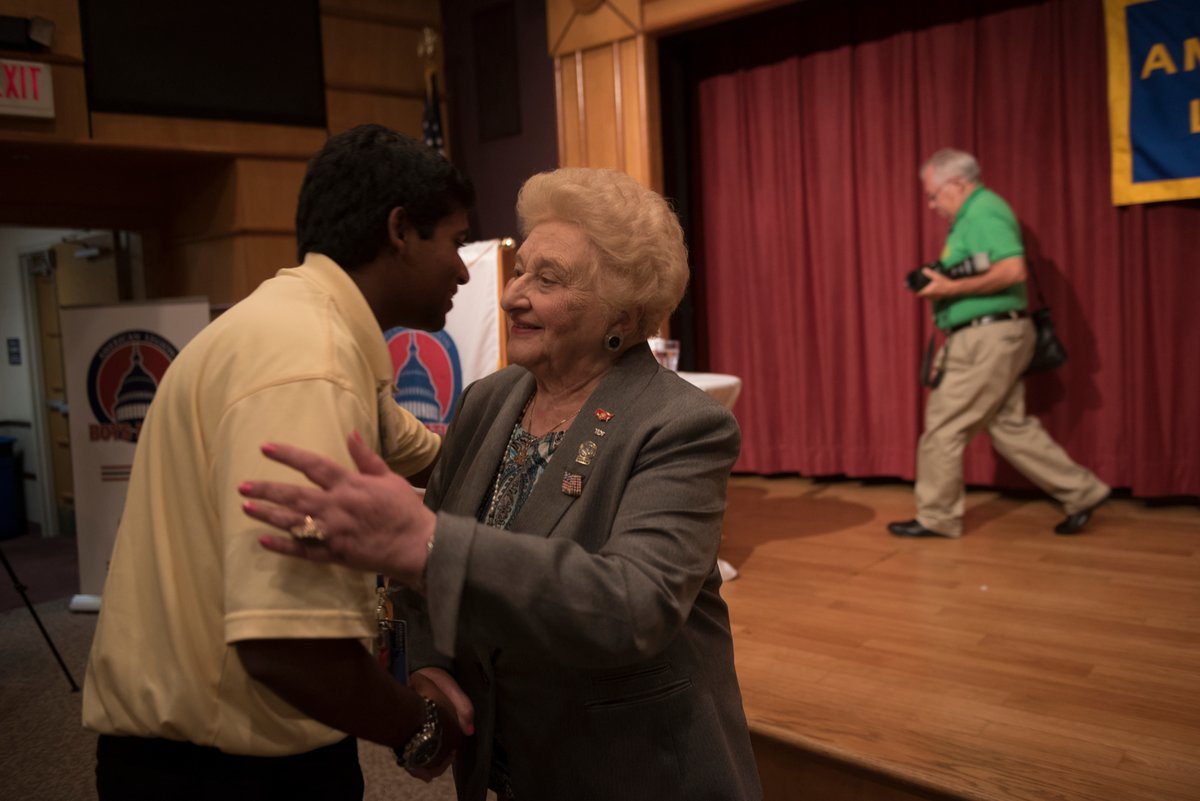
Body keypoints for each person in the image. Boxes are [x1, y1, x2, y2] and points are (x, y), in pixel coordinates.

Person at [238, 167, 763, 801]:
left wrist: (427, 544)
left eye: (549, 280)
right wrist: (428, 662)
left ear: (621, 313)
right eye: (520, 270)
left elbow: (636, 603)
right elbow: (420, 577)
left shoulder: (681, 424)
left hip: (631, 765)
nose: (514, 294)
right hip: (502, 765)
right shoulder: (489, 400)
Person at [81, 124, 475, 800]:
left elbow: (429, 456)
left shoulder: (297, 327)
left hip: (194, 754)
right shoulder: (310, 363)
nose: (465, 269)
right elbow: (288, 646)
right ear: (401, 230)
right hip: (227, 771)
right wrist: (420, 726)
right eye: (455, 242)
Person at [888, 149, 1110, 539]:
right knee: (1009, 426)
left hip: (986, 336)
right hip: (991, 335)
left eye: (935, 194)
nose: (932, 204)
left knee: (943, 428)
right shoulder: (974, 216)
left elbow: (1012, 270)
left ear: (957, 183)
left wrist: (949, 287)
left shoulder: (983, 211)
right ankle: (1082, 491)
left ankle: (937, 517)